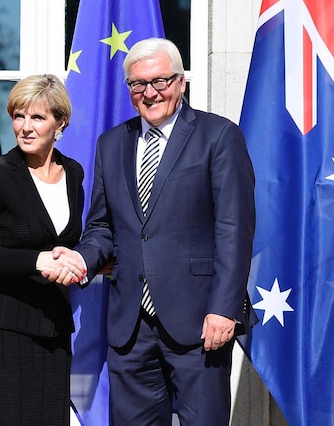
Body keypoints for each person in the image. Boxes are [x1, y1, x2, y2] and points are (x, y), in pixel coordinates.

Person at [54, 38, 257, 425]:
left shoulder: (218, 136)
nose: (150, 92)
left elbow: (235, 228)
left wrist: (224, 308)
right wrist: (81, 257)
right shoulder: (112, 143)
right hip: (131, 325)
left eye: (160, 81)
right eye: (137, 84)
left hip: (200, 320)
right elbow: (101, 226)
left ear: (181, 82)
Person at [0, 74, 87, 426]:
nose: (25, 127)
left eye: (37, 117)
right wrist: (37, 260)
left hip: (55, 325)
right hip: (7, 326)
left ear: (60, 121)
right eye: (19, 116)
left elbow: (70, 241)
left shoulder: (74, 173)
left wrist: (91, 261)